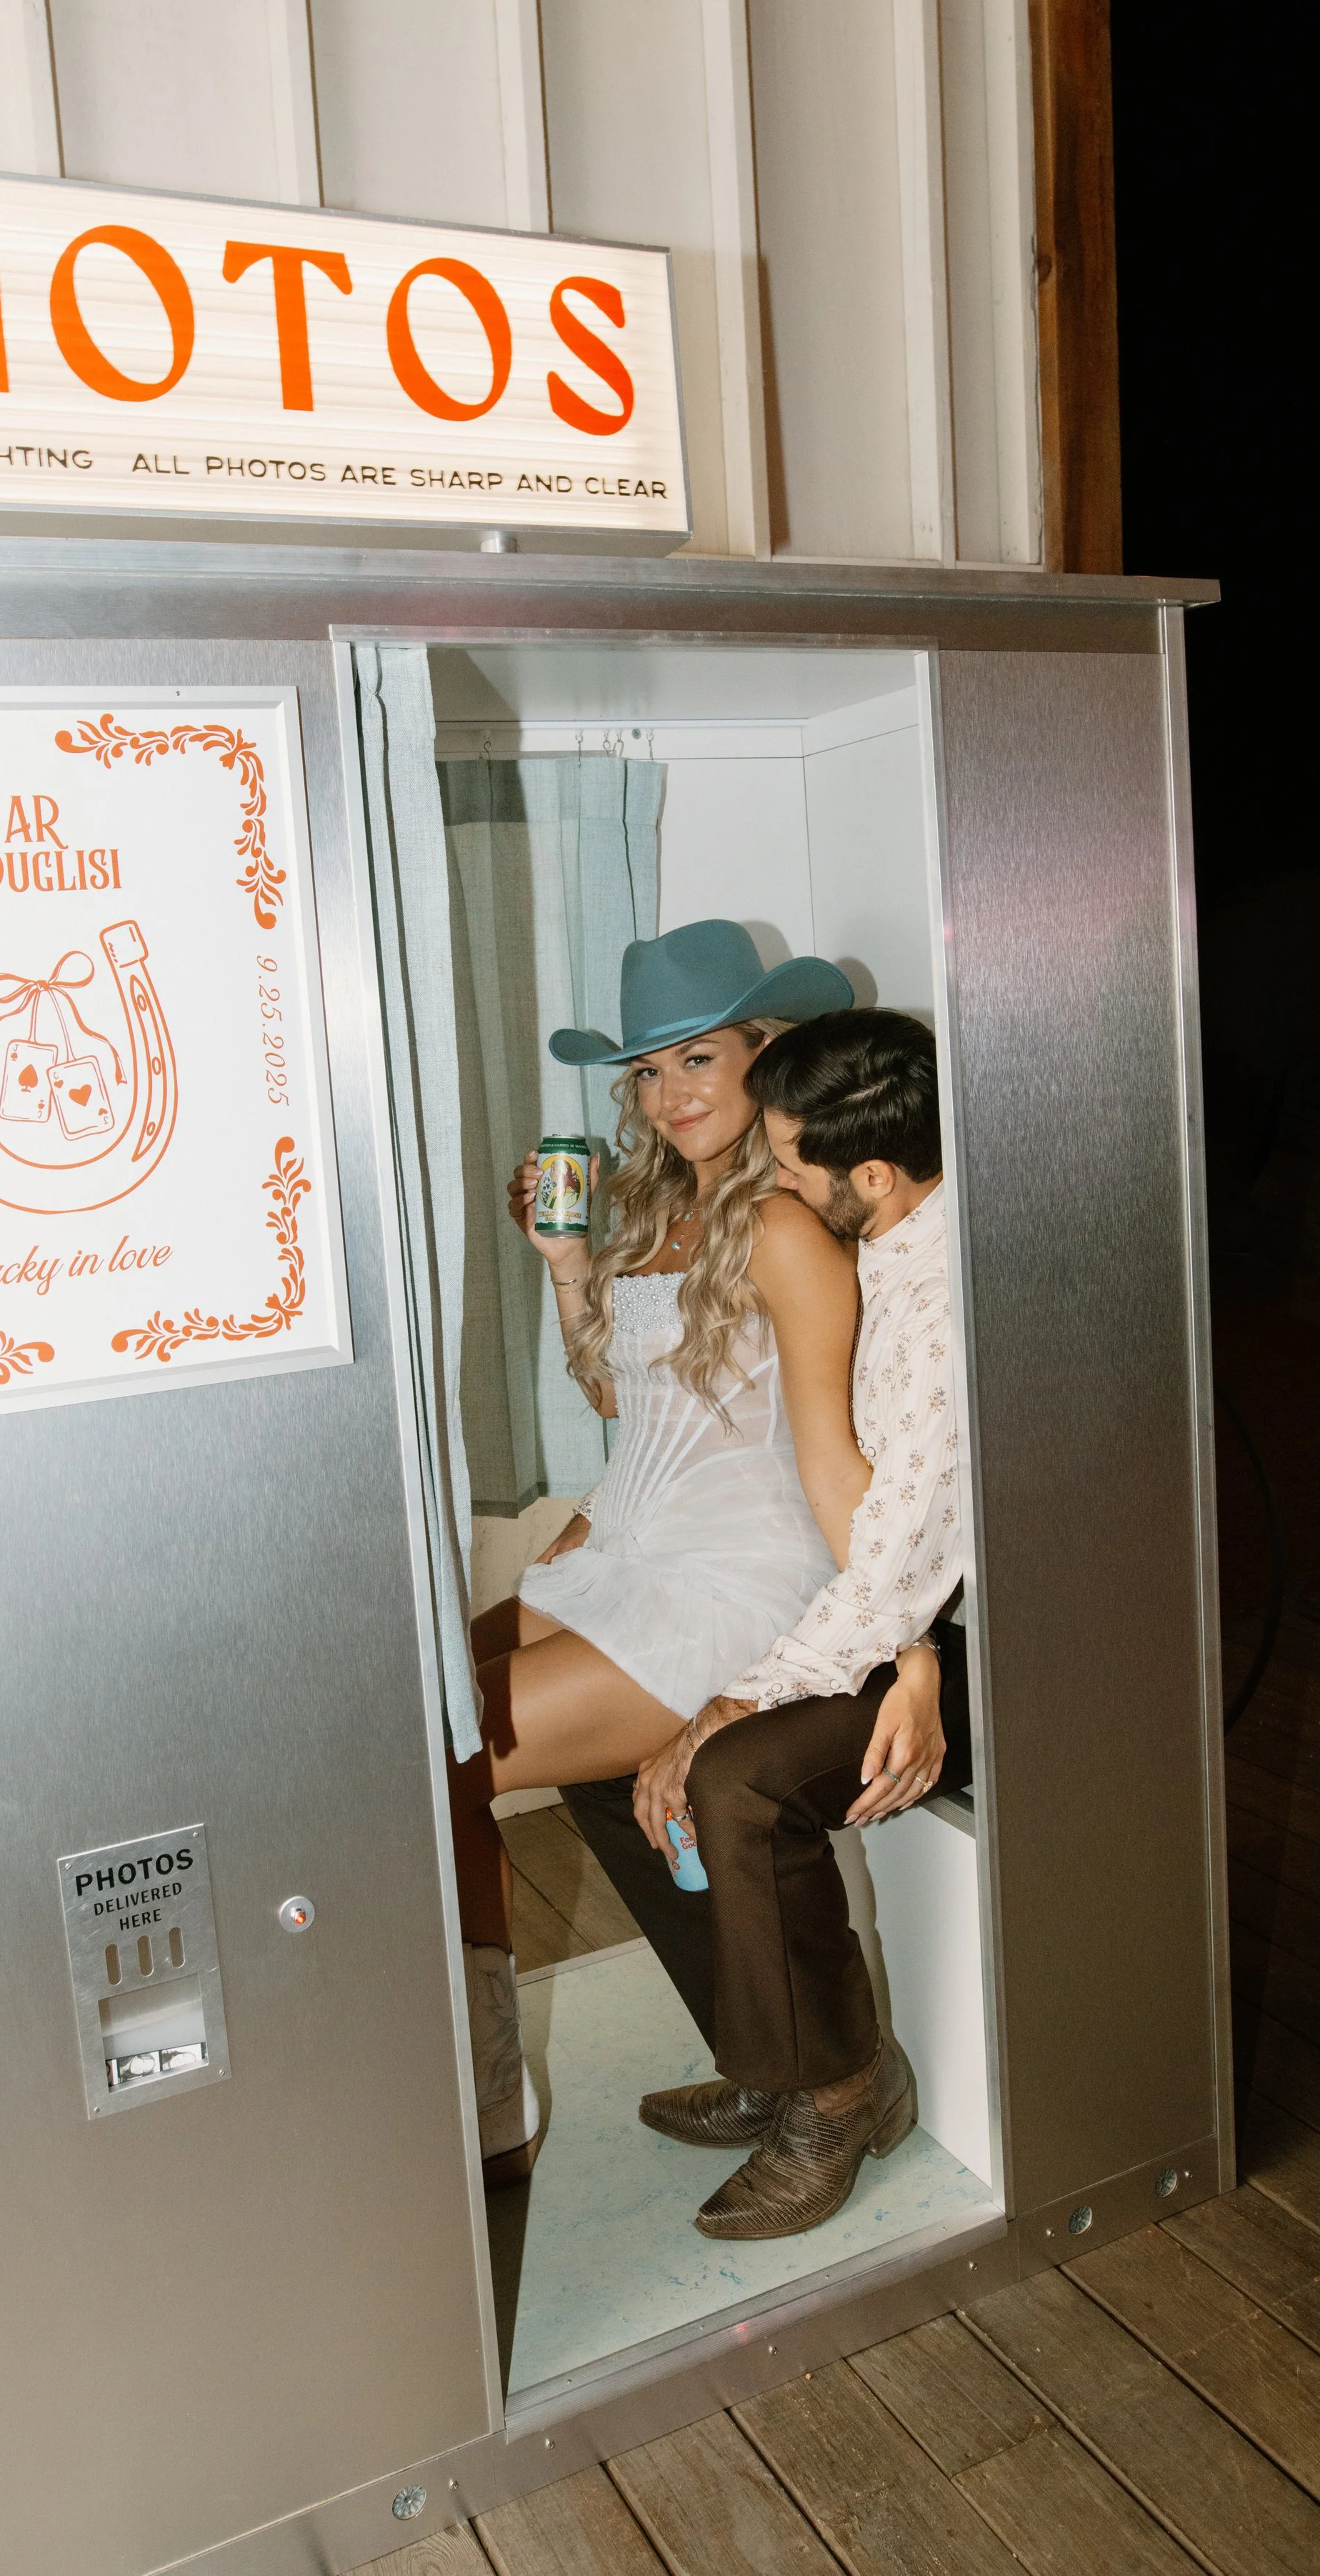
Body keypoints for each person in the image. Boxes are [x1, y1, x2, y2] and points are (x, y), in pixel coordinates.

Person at [451, 920, 878, 2186]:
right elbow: (627, 1407)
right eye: (645, 1071)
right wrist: (572, 1265)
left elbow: (832, 1465)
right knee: (412, 1700)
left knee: (438, 1760)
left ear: (765, 1053)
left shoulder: (790, 1232)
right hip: (628, 1549)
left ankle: (485, 2107)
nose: (671, 1093)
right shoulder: (656, 1205)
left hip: (726, 1584)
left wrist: (893, 1647)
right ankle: (756, 2055)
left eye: (699, 1058)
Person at [571, 1008, 966, 2242]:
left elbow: (907, 1549)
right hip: (885, 1612)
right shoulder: (883, 1242)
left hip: (955, 1637)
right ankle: (772, 2053)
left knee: (735, 1777)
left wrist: (750, 1695)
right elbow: (866, 1513)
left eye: (792, 1163)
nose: (775, 1184)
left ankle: (843, 2085)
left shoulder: (937, 1302)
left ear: (868, 1173)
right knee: (615, 1772)